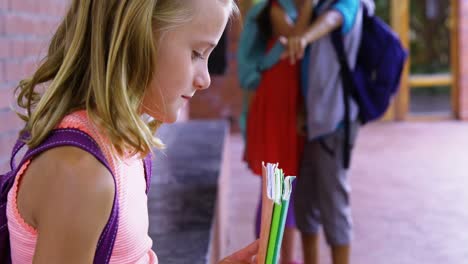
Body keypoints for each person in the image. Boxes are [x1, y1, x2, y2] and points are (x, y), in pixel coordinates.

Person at [6, 0, 258, 263]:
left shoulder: (122, 145)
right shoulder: (81, 173)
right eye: (196, 53)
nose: (205, 79)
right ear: (136, 35)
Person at [280, 0, 366, 263]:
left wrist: (304, 37)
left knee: (334, 207)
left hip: (335, 123)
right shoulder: (317, 6)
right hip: (311, 123)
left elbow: (333, 20)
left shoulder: (349, 4)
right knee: (305, 206)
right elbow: (295, 46)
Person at [242, 0, 312, 263]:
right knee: (273, 188)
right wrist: (308, 8)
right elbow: (296, 40)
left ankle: (284, 258)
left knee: (286, 188)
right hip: (275, 104)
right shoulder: (275, 8)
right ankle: (266, 256)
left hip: (288, 103)